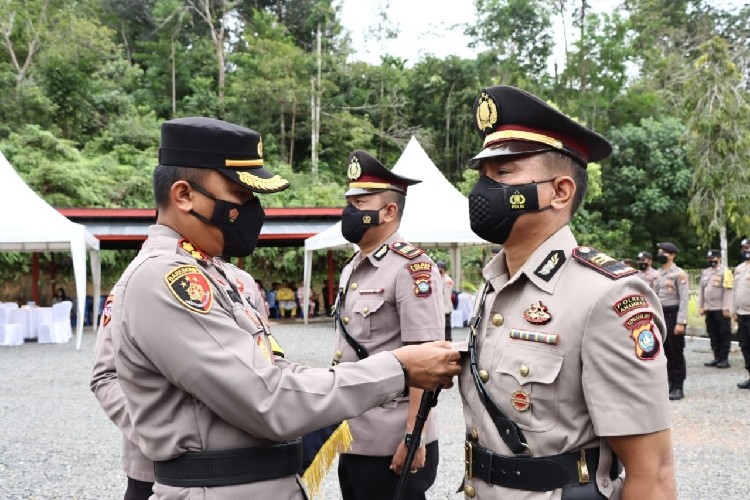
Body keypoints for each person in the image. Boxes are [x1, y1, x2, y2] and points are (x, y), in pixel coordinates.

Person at [96, 117, 460, 500]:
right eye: (240, 195)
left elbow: (272, 370)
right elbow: (266, 397)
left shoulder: (216, 273)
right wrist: (399, 369)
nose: (252, 211)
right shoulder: (166, 279)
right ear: (184, 195)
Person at [458, 85, 676, 499]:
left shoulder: (607, 296)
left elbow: (654, 474)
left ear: (560, 191)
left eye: (503, 174)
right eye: (483, 177)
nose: (483, 191)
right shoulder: (495, 283)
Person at [334, 150, 445, 500]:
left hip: (392, 439)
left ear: (389, 211)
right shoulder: (353, 266)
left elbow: (427, 360)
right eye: (349, 200)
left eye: (360, 202)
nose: (349, 210)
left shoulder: (411, 268)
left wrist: (414, 437)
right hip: (353, 434)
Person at [654, 242, 690, 401]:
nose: (660, 254)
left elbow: (684, 299)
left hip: (673, 314)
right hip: (660, 314)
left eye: (664, 252)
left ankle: (678, 386)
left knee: (676, 352)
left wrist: (681, 322)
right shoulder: (657, 273)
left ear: (672, 255)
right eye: (659, 252)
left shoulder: (679, 274)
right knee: (664, 352)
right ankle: (669, 383)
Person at [699, 249, 733, 369]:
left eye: (713, 258)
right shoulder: (706, 272)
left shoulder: (725, 272)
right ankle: (717, 357)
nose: (710, 261)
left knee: (723, 333)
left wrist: (726, 307)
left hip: (720, 308)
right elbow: (702, 291)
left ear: (719, 259)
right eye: (708, 259)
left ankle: (724, 358)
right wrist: (701, 306)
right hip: (709, 308)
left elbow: (728, 291)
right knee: (712, 333)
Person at [733, 238, 750, 389]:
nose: (745, 250)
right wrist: (734, 310)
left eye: (748, 247)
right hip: (741, 313)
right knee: (745, 345)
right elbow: (735, 291)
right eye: (744, 248)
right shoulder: (739, 268)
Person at [436, 261, 455, 341]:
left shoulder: (448, 280)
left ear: (443, 269)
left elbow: (446, 297)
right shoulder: (439, 278)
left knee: (446, 327)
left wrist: (445, 310)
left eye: (439, 268)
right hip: (440, 308)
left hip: (445, 308)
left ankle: (448, 341)